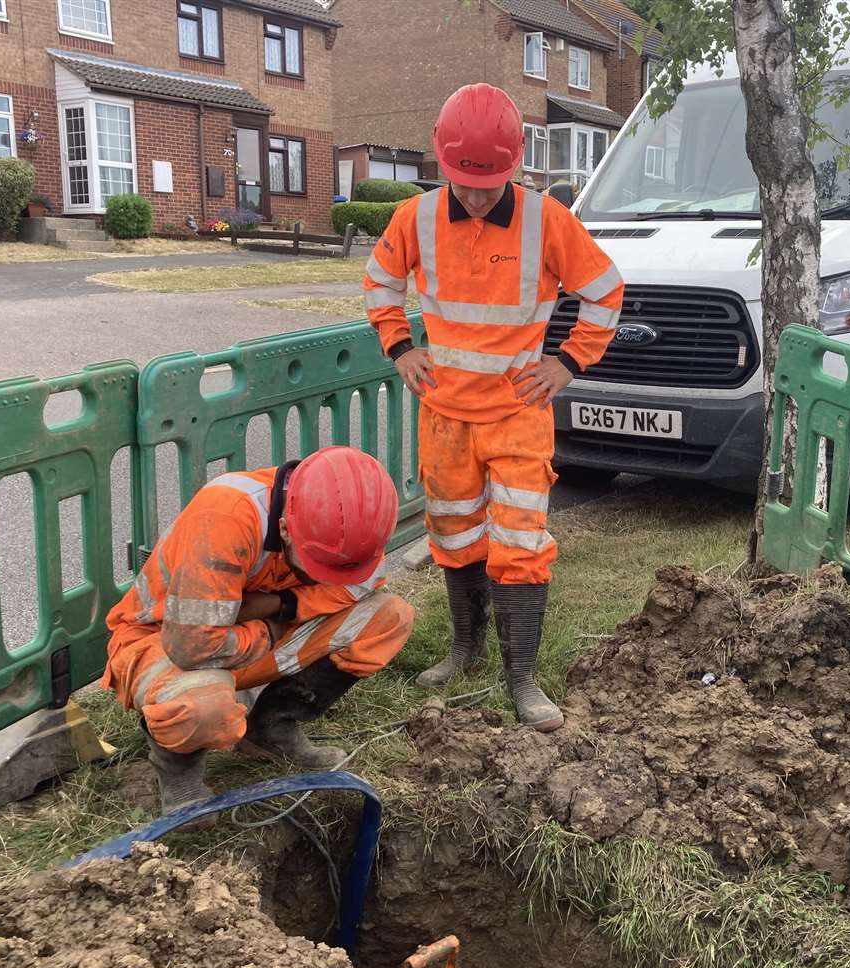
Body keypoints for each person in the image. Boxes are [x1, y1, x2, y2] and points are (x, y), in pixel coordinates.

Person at [364, 83, 623, 733]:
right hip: (446, 417)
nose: (477, 197)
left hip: (516, 415)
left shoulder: (546, 220)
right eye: (464, 183)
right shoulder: (415, 219)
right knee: (454, 537)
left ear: (516, 165)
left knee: (520, 543)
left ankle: (523, 678)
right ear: (442, 164)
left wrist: (565, 362)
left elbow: (605, 292)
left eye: (490, 184)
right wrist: (400, 347)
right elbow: (379, 285)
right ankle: (465, 647)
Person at [101, 446, 413, 814]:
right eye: (316, 568)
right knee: (203, 706)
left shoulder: (354, 526)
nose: (324, 579)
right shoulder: (225, 516)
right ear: (285, 529)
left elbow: (359, 586)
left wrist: (282, 606)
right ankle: (180, 776)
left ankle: (271, 727)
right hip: (161, 643)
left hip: (246, 633)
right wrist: (268, 629)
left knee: (388, 618)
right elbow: (192, 647)